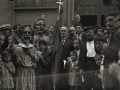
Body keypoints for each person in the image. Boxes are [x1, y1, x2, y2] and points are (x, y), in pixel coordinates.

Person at [14, 25, 39, 90]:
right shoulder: (18, 47)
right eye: (25, 32)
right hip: (22, 70)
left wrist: (30, 54)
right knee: (22, 87)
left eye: (28, 32)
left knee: (30, 87)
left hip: (31, 71)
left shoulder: (33, 47)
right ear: (21, 34)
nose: (27, 35)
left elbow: (36, 60)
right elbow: (17, 61)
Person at [102, 11, 120, 89]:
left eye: (110, 20)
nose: (107, 23)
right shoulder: (114, 33)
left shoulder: (117, 34)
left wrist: (105, 47)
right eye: (106, 21)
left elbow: (112, 53)